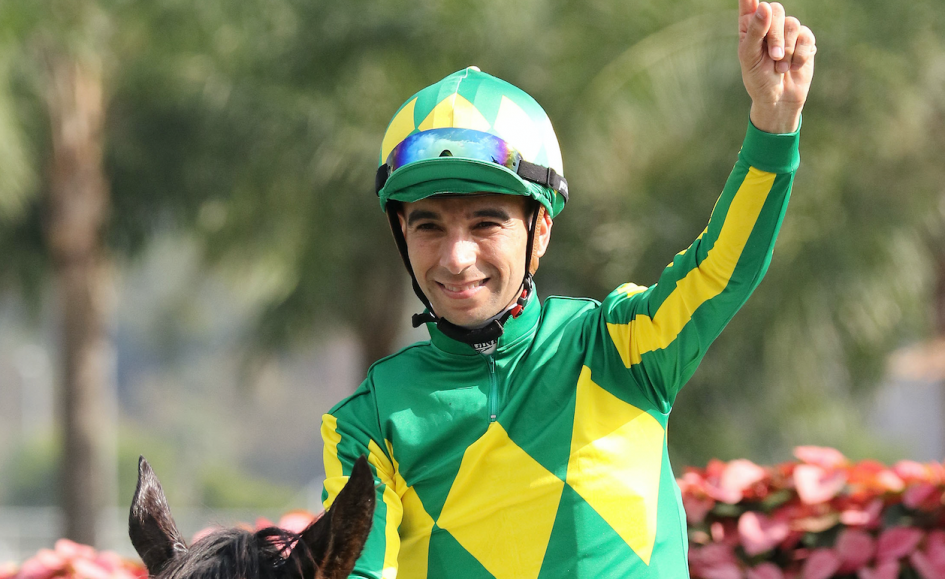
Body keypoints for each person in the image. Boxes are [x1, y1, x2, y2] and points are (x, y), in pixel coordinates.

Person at [320, 1, 816, 577]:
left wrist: (773, 124)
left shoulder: (619, 348)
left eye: (486, 223)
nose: (456, 258)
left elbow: (720, 270)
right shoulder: (366, 421)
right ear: (401, 234)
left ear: (541, 231)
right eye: (429, 226)